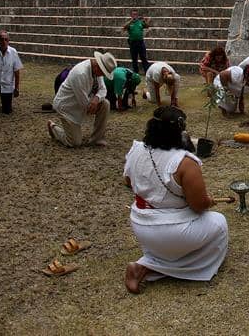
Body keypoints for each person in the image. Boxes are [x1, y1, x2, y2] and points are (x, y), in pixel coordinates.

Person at [123, 106, 228, 294]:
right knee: (219, 223)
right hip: (171, 232)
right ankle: (151, 268)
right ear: (179, 131)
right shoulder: (184, 162)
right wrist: (208, 201)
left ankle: (147, 265)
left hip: (141, 226)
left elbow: (128, 181)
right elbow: (198, 206)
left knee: (177, 239)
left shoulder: (137, 150)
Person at [48, 52, 116, 147]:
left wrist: (96, 98)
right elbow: (84, 103)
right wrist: (92, 105)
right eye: (103, 73)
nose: (103, 76)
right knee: (74, 142)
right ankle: (54, 128)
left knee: (105, 104)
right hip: (67, 107)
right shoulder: (80, 73)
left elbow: (103, 89)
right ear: (98, 66)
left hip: (82, 102)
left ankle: (97, 139)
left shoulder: (97, 71)